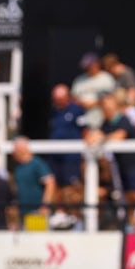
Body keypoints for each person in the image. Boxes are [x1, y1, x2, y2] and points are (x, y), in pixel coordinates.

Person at [84, 92, 135, 231]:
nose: (107, 108)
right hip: (117, 168)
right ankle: (130, 227)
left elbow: (119, 136)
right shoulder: (105, 123)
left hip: (133, 164)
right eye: (104, 106)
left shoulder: (124, 119)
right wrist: (97, 136)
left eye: (109, 105)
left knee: (133, 195)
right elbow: (91, 138)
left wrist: (101, 138)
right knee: (120, 197)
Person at [47, 83, 88, 229]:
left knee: (73, 187)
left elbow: (85, 131)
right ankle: (61, 213)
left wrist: (84, 155)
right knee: (57, 185)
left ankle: (77, 219)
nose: (58, 101)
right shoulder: (53, 112)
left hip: (72, 155)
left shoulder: (77, 110)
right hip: (56, 155)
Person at [12, 136, 56, 227]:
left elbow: (50, 183)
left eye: (15, 149)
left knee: (36, 239)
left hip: (36, 212)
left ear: (22, 149)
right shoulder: (18, 167)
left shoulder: (37, 164)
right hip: (23, 212)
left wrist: (45, 205)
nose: (13, 152)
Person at [71, 51, 117, 129]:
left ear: (97, 64)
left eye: (90, 65)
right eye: (86, 66)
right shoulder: (79, 80)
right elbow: (73, 97)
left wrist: (95, 103)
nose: (88, 68)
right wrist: (83, 103)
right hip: (82, 117)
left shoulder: (106, 78)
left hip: (102, 118)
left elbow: (111, 98)